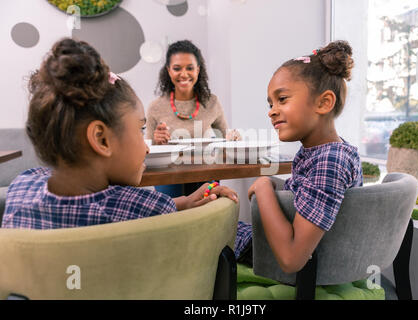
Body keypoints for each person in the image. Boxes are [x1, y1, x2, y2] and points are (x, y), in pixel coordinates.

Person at [2, 39, 246, 256]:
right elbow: (159, 212)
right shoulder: (138, 206)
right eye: (140, 131)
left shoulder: (22, 186)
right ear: (102, 139)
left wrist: (184, 202)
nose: (146, 148)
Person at [236, 41, 363, 272]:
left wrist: (264, 187)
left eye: (282, 99)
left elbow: (291, 258)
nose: (271, 111)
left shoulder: (330, 160)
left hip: (303, 268)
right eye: (271, 103)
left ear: (324, 103)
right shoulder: (318, 152)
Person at [147, 39, 240, 145]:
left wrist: (235, 138)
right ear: (169, 70)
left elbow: (228, 143)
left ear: (198, 70)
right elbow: (147, 153)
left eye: (190, 68)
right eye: (177, 69)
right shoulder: (155, 108)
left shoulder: (212, 102)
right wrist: (157, 142)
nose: (184, 74)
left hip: (208, 162)